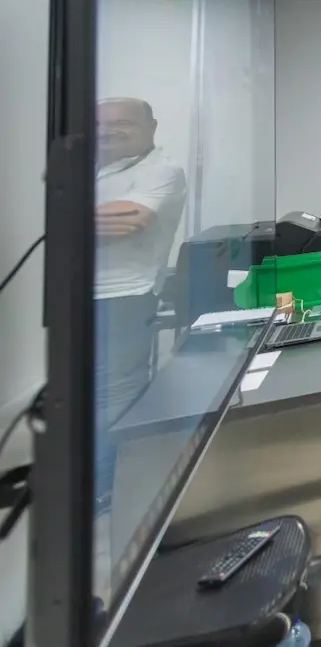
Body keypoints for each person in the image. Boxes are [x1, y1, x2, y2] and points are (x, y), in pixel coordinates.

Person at [94, 97, 186, 512]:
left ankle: (112, 483)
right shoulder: (98, 171)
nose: (109, 130)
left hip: (126, 293)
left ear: (151, 126)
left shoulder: (160, 170)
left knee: (118, 389)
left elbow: (129, 221)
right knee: (89, 389)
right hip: (80, 291)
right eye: (101, 124)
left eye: (123, 123)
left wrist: (66, 216)